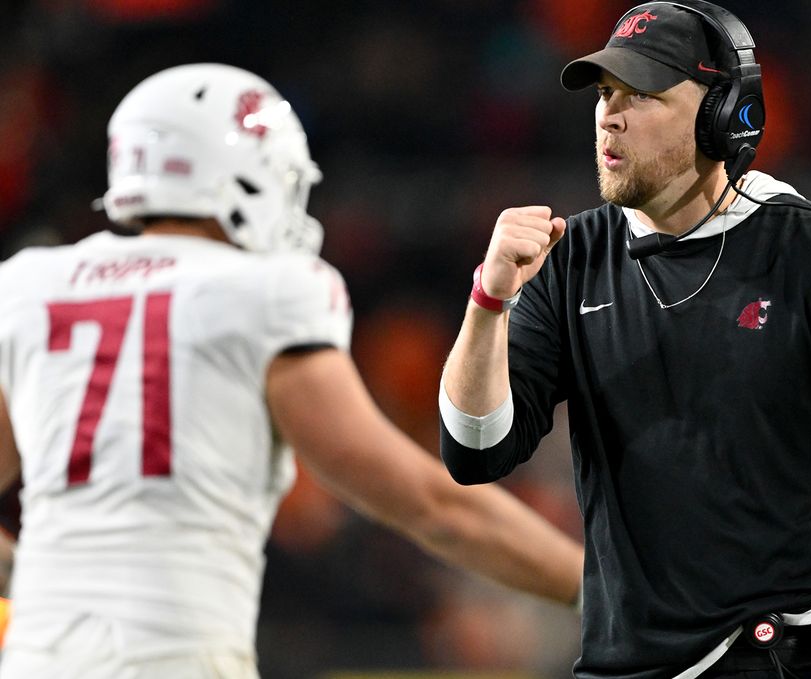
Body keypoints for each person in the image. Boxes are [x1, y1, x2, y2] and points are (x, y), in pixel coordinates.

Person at [0, 63, 584, 679]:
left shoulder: (29, 284)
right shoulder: (265, 291)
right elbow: (428, 502)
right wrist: (598, 588)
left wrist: (42, 577)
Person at [438, 2, 811, 678]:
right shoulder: (568, 259)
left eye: (642, 94)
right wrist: (489, 303)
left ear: (724, 115)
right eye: (605, 93)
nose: (610, 114)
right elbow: (475, 451)